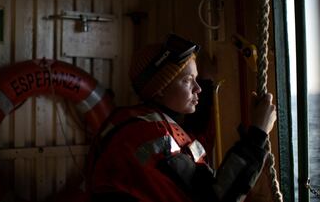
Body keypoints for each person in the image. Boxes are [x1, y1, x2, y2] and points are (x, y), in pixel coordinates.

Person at [86, 33, 277, 202]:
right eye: (187, 81)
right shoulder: (152, 136)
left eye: (196, 79)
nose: (198, 88)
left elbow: (194, 143)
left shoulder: (137, 120)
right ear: (160, 89)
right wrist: (257, 135)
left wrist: (208, 83)